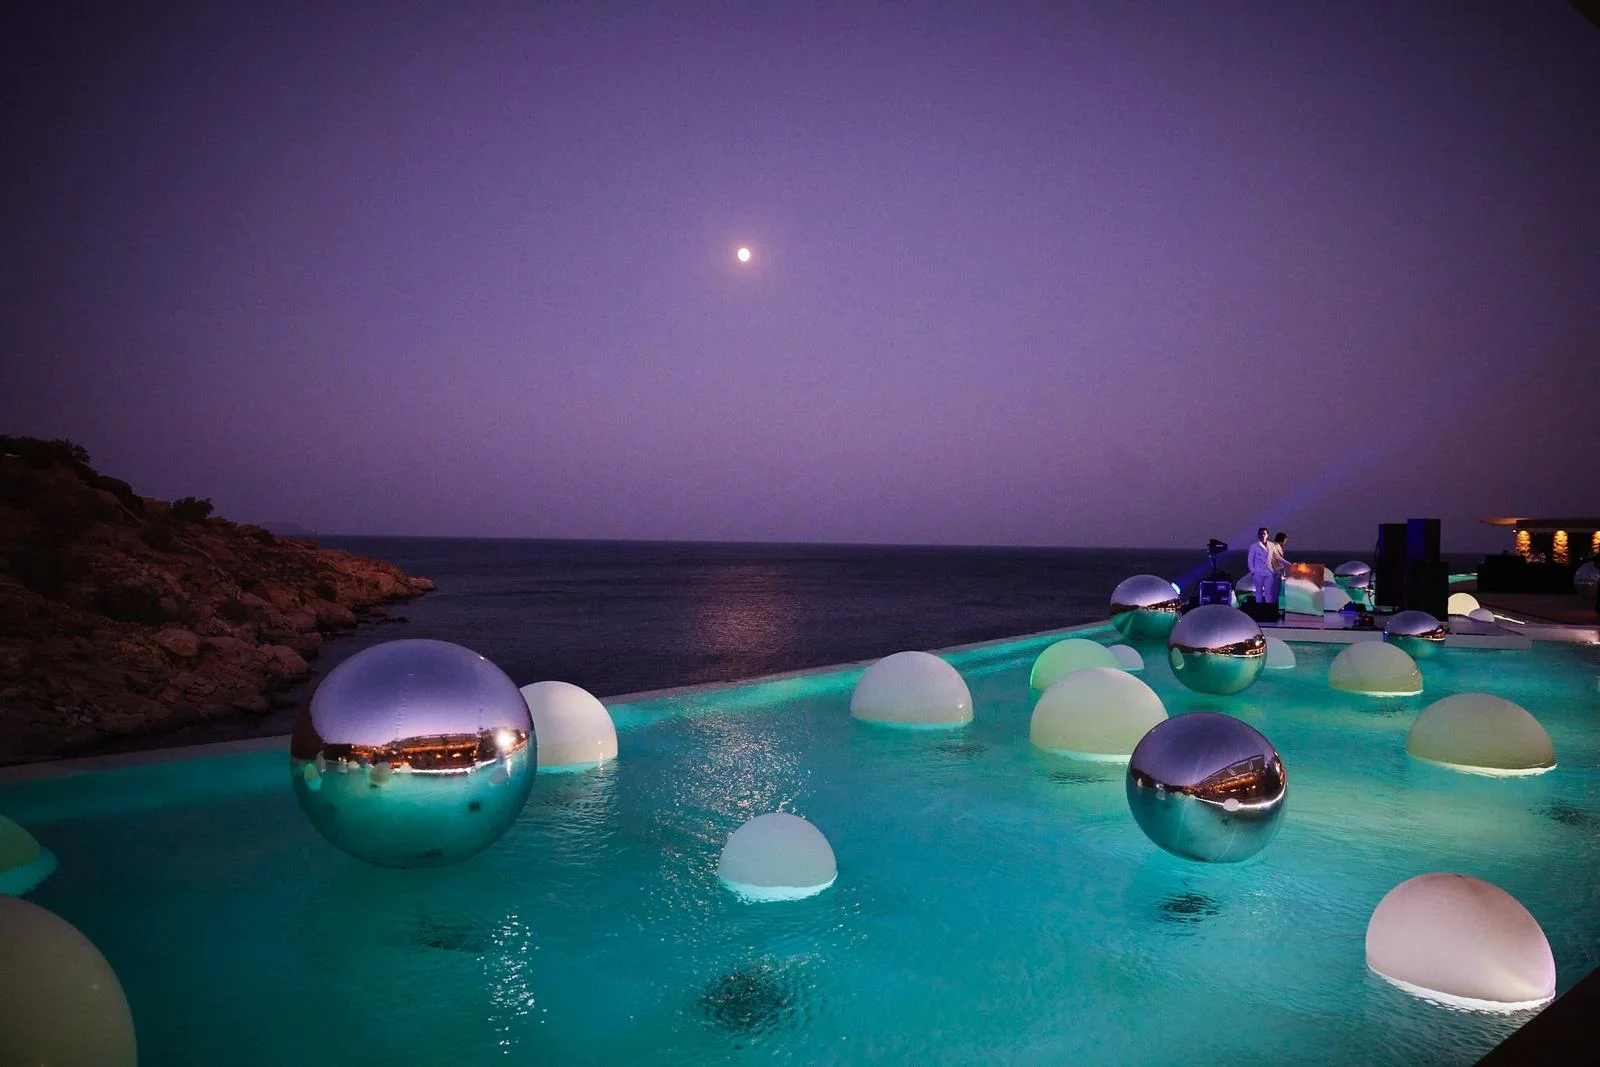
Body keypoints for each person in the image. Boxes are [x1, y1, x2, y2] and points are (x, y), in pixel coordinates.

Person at [1247, 527, 1274, 612]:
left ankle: (1268, 611)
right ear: (1258, 535)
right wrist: (1252, 571)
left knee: (1268, 592)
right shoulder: (1254, 547)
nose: (1262, 535)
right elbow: (1250, 559)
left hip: (1269, 573)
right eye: (1260, 533)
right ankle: (1259, 611)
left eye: (1264, 533)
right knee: (1258, 592)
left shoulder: (1271, 545)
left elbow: (1275, 558)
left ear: (1267, 535)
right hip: (1258, 573)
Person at [1265, 532, 1290, 609]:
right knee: (1274, 593)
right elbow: (1277, 558)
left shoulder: (1275, 546)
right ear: (1283, 540)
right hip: (1274, 573)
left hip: (1277, 572)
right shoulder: (1274, 546)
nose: (1285, 542)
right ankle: (1272, 610)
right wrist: (1290, 564)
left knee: (1274, 593)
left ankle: (1273, 608)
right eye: (1285, 540)